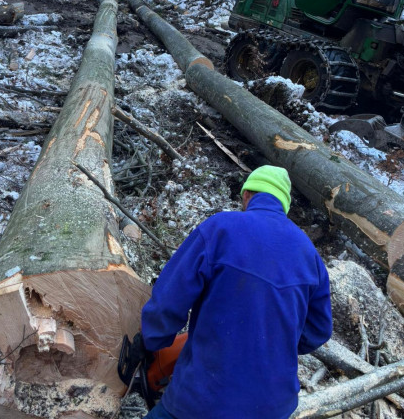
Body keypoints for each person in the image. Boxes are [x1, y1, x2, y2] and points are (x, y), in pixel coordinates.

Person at [140, 165, 332, 419]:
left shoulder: (220, 229)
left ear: (247, 195)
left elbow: (169, 299)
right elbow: (319, 330)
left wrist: (152, 341)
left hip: (204, 400)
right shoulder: (310, 254)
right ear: (283, 206)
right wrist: (271, 342)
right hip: (274, 408)